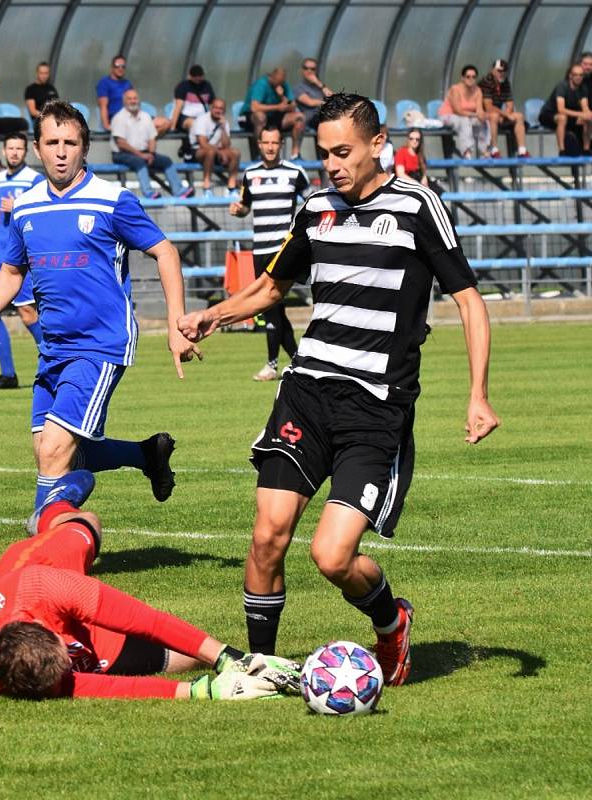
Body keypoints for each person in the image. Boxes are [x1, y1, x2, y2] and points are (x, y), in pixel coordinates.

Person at [177, 92, 500, 687]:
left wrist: (478, 394)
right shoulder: (316, 206)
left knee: (331, 556)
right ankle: (263, 669)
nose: (332, 164)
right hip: (306, 393)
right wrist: (212, 316)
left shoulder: (418, 206)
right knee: (267, 534)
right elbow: (273, 287)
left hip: (373, 408)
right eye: (324, 152)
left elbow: (470, 302)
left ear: (379, 145)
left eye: (344, 151)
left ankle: (390, 620)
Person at [0, 101, 201, 520]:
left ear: (85, 148)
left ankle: (42, 545)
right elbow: (10, 269)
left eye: (70, 142)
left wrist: (175, 322)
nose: (61, 151)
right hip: (53, 347)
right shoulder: (25, 206)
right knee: (50, 451)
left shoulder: (111, 200)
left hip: (100, 344)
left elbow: (165, 252)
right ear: (38, 148)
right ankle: (148, 454)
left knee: (57, 447)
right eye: (52, 142)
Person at [0, 469, 301, 700]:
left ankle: (54, 508)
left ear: (53, 632)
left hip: (39, 567)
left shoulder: (48, 583)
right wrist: (200, 691)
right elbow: (87, 687)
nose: (69, 669)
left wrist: (232, 657)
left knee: (89, 525)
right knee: (185, 660)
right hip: (53, 624)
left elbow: (148, 621)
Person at [229, 125, 308, 381]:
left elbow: (313, 203)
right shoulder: (250, 174)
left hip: (283, 249)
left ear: (281, 144)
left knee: (270, 307)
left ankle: (272, 365)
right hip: (259, 250)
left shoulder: (295, 173)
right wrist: (238, 210)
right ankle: (298, 361)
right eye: (266, 142)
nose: (270, 147)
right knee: (275, 309)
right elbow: (246, 208)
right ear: (259, 144)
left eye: (275, 142)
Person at [0, 132, 44, 390]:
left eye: (19, 148)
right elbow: (1, 210)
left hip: (21, 260)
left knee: (27, 314)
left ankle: (53, 361)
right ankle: (8, 374)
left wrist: (17, 205)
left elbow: (39, 213)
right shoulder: (0, 178)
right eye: (10, 148)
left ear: (26, 152)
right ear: (4, 151)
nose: (14, 152)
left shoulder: (35, 179)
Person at [111, 89, 192, 199]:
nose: (133, 101)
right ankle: (148, 193)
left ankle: (179, 191)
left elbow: (152, 138)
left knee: (166, 160)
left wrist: (151, 153)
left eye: (135, 98)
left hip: (144, 152)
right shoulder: (119, 118)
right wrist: (142, 155)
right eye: (129, 99)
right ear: (124, 101)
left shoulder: (146, 116)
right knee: (139, 161)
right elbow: (121, 143)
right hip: (122, 153)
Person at [239, 67, 305, 160]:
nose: (279, 84)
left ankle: (295, 154)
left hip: (272, 116)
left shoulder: (283, 85)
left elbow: (293, 106)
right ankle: (260, 154)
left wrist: (282, 96)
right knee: (261, 117)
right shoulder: (262, 84)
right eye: (277, 82)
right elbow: (255, 107)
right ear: (272, 77)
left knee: (299, 118)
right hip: (249, 116)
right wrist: (278, 107)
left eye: (281, 82)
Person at [188, 98, 240, 196]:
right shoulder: (201, 120)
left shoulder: (225, 122)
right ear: (211, 108)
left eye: (221, 108)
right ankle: (207, 187)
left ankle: (231, 188)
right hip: (198, 151)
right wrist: (220, 153)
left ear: (224, 111)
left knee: (235, 152)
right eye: (215, 107)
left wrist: (224, 128)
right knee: (210, 152)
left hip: (217, 152)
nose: (218, 110)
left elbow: (226, 145)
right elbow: (202, 144)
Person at [479, 59, 529, 158]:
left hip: (498, 113)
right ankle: (494, 149)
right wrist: (505, 115)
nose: (501, 73)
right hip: (483, 114)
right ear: (492, 70)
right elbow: (488, 107)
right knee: (494, 116)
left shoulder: (505, 83)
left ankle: (522, 150)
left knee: (519, 116)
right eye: (499, 71)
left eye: (504, 71)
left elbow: (510, 105)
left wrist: (505, 115)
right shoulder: (486, 82)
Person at [539, 64, 591, 155]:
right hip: (548, 115)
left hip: (568, 116)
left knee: (587, 120)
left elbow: (585, 107)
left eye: (581, 75)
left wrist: (588, 114)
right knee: (562, 118)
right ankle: (562, 150)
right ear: (570, 75)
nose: (578, 77)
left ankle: (586, 149)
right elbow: (561, 109)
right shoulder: (562, 86)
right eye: (575, 75)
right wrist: (581, 114)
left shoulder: (583, 88)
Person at [438, 65, 489, 158]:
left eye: (473, 77)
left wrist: (482, 116)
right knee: (464, 120)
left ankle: (484, 150)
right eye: (468, 76)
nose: (471, 79)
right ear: (462, 78)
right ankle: (467, 151)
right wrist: (476, 114)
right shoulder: (455, 89)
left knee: (482, 121)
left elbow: (479, 110)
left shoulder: (478, 91)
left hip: (467, 117)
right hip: (448, 116)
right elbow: (458, 111)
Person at [393, 128, 443, 195]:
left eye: (417, 139)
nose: (414, 141)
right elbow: (400, 174)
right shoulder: (401, 152)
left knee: (435, 191)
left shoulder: (420, 154)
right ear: (408, 139)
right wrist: (417, 184)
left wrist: (424, 178)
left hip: (418, 182)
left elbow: (423, 172)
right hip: (407, 184)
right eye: (411, 138)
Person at [169, 65, 215, 134]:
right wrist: (172, 127)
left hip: (202, 117)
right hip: (185, 117)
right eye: (195, 76)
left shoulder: (207, 85)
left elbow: (212, 104)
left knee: (212, 126)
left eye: (200, 76)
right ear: (190, 76)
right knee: (196, 125)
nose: (198, 79)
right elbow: (178, 107)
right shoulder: (183, 86)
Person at [293, 58, 333, 131]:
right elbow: (310, 102)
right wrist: (327, 102)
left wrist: (318, 83)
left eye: (312, 69)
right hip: (311, 118)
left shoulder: (320, 86)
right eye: (306, 68)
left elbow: (332, 98)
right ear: (302, 70)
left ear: (316, 71)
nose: (309, 71)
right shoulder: (298, 87)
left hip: (324, 115)